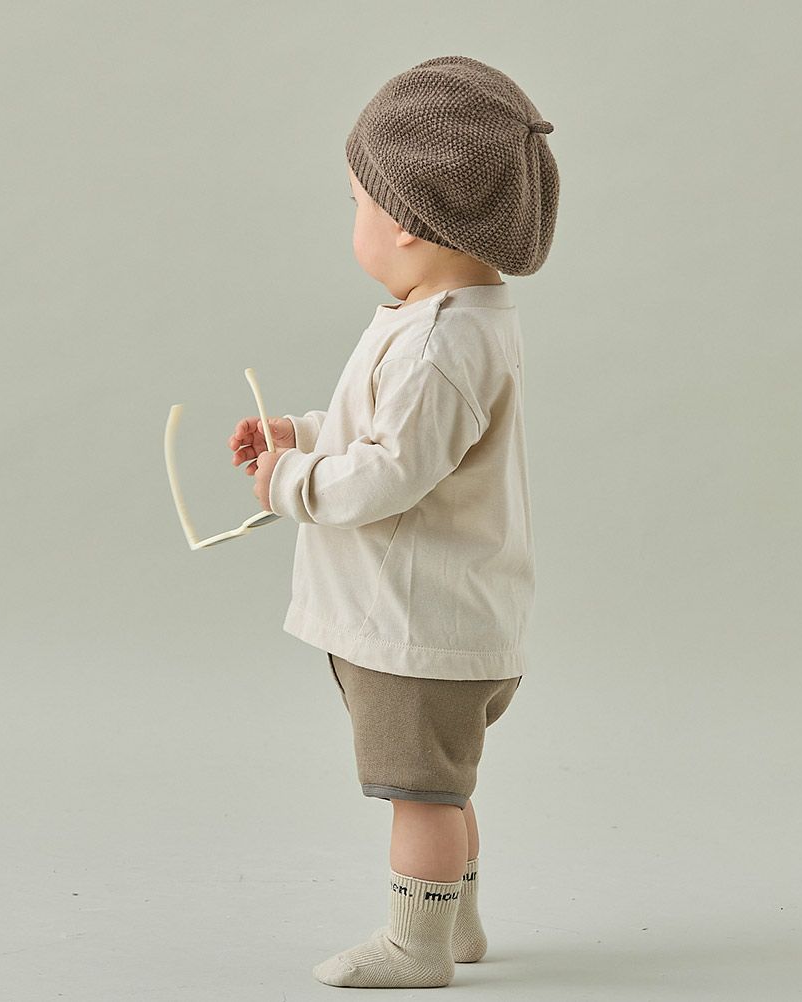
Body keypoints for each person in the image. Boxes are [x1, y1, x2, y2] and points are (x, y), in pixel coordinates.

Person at [227, 54, 559, 989]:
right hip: (438, 616)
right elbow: (391, 434)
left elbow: (388, 475)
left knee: (421, 796)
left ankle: (418, 945)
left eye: (357, 202)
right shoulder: (449, 320)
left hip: (417, 628)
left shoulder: (441, 343)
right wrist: (301, 433)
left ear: (407, 219)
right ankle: (457, 926)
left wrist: (290, 483)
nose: (356, 222)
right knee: (442, 786)